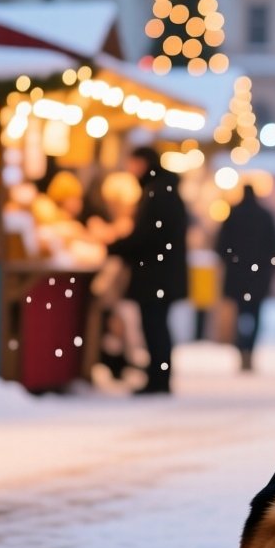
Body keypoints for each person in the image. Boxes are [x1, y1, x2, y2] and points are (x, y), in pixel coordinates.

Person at [107, 146, 191, 395]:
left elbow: (148, 236)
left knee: (154, 326)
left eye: (133, 164)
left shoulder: (158, 193)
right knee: (157, 325)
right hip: (162, 273)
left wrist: (116, 246)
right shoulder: (165, 189)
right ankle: (159, 375)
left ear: (143, 163)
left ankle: (159, 378)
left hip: (157, 274)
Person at [215, 185, 275, 372]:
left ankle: (241, 348)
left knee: (240, 312)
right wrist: (267, 266)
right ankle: (250, 349)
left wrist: (232, 261)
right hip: (258, 277)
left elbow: (221, 245)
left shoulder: (233, 214)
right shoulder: (265, 216)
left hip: (237, 276)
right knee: (255, 313)